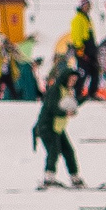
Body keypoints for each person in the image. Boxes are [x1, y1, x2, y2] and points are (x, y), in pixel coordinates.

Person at [35, 59, 82, 187]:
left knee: (68, 151)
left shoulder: (67, 90)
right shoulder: (56, 90)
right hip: (48, 126)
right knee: (53, 151)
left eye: (75, 80)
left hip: (58, 127)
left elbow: (70, 105)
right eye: (71, 79)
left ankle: (75, 177)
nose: (73, 82)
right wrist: (65, 113)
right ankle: (49, 178)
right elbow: (52, 107)